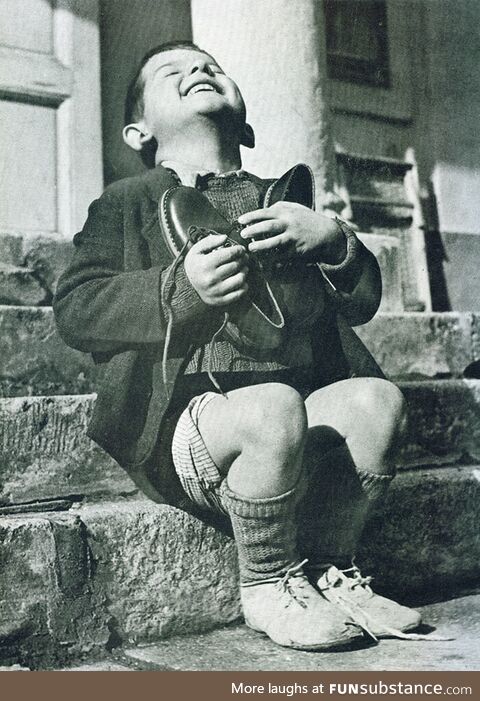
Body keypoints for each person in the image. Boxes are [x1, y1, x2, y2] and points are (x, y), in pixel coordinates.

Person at [53, 40, 422, 651]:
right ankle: (268, 580)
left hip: (292, 426)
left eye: (212, 68)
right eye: (173, 73)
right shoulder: (128, 202)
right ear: (137, 131)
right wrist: (178, 286)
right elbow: (76, 307)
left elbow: (359, 303)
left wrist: (333, 239)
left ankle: (332, 568)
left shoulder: (285, 198)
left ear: (246, 122)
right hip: (193, 429)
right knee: (273, 405)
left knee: (377, 400)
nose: (199, 70)